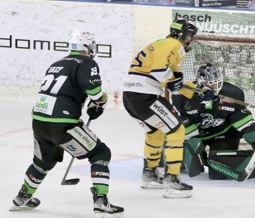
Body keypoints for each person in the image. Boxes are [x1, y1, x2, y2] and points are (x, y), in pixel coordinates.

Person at [9, 29, 124, 217]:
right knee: (101, 152)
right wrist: (100, 101)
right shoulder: (87, 62)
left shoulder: (56, 63)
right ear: (87, 46)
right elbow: (95, 92)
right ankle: (101, 202)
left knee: (43, 161)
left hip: (39, 121)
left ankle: (22, 197)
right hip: (62, 124)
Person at [171, 63, 255, 182]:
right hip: (196, 133)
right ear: (200, 82)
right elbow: (181, 122)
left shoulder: (233, 93)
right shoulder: (183, 95)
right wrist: (194, 146)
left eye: (217, 83)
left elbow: (241, 118)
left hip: (222, 133)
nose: (214, 87)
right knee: (181, 163)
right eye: (209, 84)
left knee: (219, 171)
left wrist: (254, 132)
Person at [122, 18, 198, 198]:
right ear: (180, 33)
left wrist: (195, 91)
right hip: (145, 95)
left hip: (131, 96)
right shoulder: (172, 43)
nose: (190, 39)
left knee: (155, 133)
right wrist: (174, 82)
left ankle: (149, 174)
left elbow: (173, 83)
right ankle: (172, 178)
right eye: (188, 35)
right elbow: (160, 73)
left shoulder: (161, 44)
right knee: (177, 130)